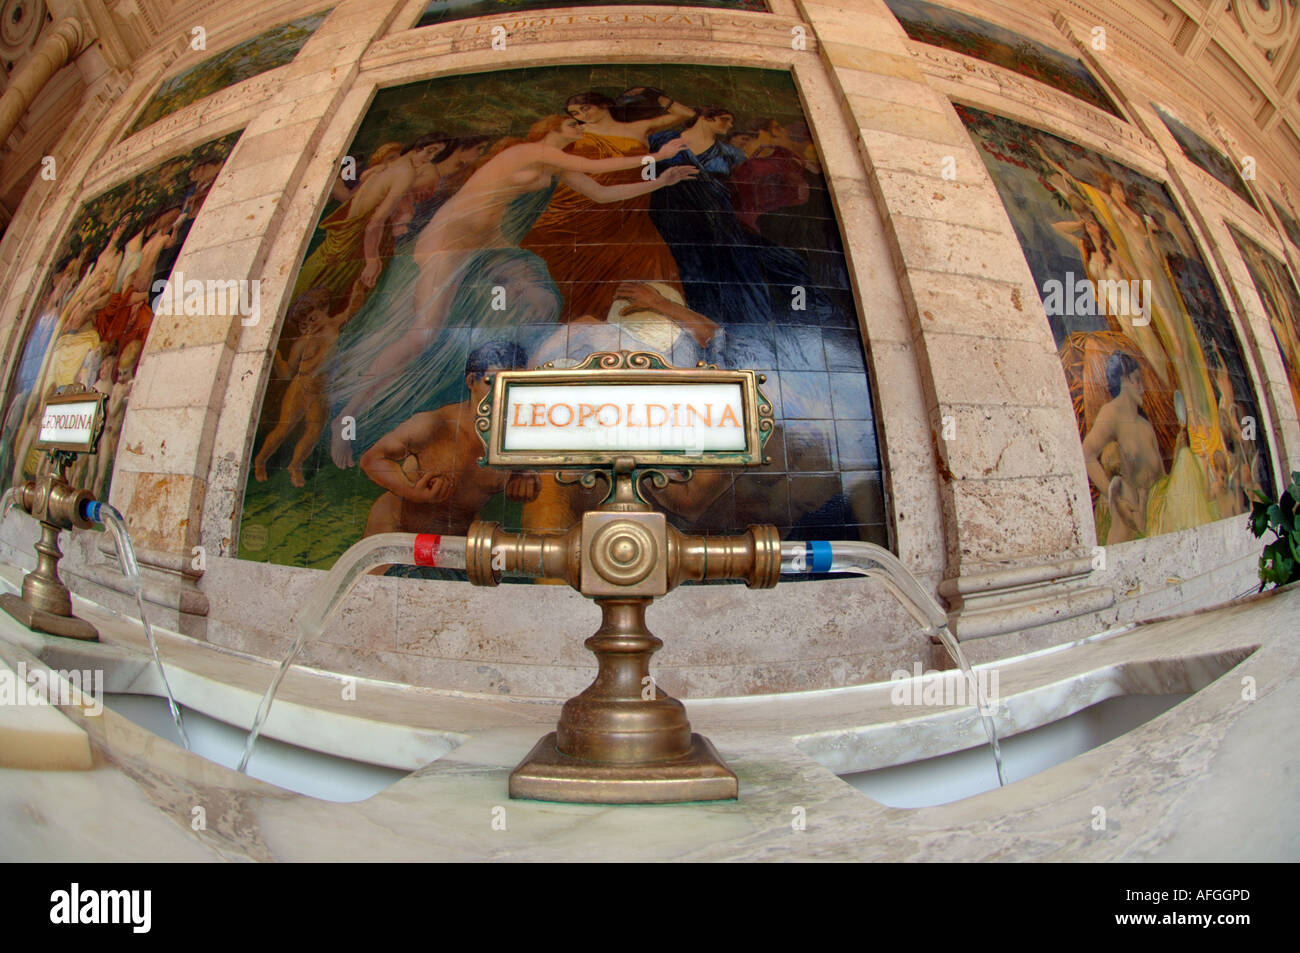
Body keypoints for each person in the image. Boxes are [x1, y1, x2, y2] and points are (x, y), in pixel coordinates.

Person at [326, 115, 697, 468]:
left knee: (544, 299)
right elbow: (599, 170)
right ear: (551, 128)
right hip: (450, 244)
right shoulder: (527, 151)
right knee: (423, 335)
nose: (580, 128)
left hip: (491, 246)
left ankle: (523, 398)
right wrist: (657, 156)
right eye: (573, 123)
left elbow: (600, 192)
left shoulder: (556, 165)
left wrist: (660, 181)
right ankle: (347, 416)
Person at [520, 90, 697, 322]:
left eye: (585, 108)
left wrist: (651, 93)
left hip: (626, 209)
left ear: (604, 105)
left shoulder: (638, 129)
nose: (582, 116)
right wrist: (660, 159)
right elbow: (588, 172)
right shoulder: (573, 134)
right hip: (578, 212)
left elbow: (686, 113)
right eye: (575, 113)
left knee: (644, 265)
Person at [359, 341, 540, 537]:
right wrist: (412, 492)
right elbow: (372, 459)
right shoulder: (433, 425)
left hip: (455, 540)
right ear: (471, 381)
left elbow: (530, 473)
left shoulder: (517, 438)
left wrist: (526, 479)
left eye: (514, 385)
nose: (504, 393)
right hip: (396, 528)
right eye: (493, 383)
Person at [253, 282, 367, 486]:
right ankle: (260, 461)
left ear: (323, 309)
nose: (311, 325)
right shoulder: (303, 342)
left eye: (313, 318)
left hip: (321, 392)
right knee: (283, 428)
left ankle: (295, 465)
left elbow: (353, 309)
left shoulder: (334, 325)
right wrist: (276, 357)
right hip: (300, 388)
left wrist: (358, 288)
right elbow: (287, 372)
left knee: (313, 433)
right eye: (305, 324)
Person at [1081, 352, 1165, 543]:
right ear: (1124, 379)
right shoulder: (1111, 413)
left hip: (1149, 525)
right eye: (1137, 380)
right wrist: (1116, 500)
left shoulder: (1145, 426)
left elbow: (1160, 477)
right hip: (1125, 531)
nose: (1142, 388)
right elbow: (1087, 455)